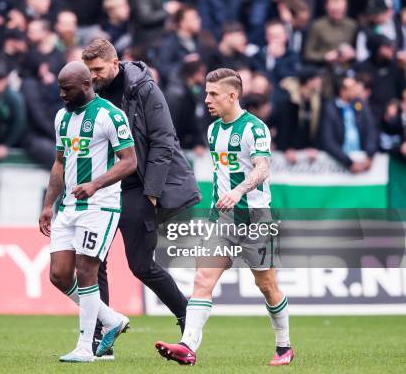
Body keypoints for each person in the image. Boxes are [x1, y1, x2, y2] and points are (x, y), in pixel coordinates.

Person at [155, 68, 294, 366]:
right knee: (202, 277)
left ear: (233, 95)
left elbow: (262, 168)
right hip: (222, 219)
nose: (207, 99)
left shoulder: (255, 129)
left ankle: (284, 346)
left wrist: (239, 191)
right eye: (206, 93)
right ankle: (188, 347)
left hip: (256, 218)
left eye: (213, 94)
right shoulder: (213, 129)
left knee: (266, 284)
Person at [82, 39, 201, 339]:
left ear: (115, 63)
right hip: (103, 188)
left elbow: (164, 141)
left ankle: (186, 313)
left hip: (136, 188)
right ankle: (101, 334)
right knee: (93, 263)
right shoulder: (87, 92)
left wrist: (152, 192)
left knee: (141, 266)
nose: (92, 76)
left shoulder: (144, 88)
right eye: (88, 70)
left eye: (97, 69)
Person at [39, 61, 136, 363]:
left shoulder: (110, 115)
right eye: (59, 88)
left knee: (86, 271)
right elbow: (59, 162)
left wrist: (95, 184)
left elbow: (129, 161)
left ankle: (85, 346)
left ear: (85, 85)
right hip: (68, 206)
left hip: (100, 205)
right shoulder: (61, 118)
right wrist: (47, 204)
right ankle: (113, 320)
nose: (61, 94)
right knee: (58, 275)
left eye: (67, 89)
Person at [320, 75, 378, 173]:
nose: (356, 90)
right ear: (342, 91)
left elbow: (371, 132)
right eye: (352, 88)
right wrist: (348, 162)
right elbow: (328, 140)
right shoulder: (330, 108)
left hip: (362, 158)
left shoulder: (361, 104)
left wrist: (369, 155)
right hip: (340, 162)